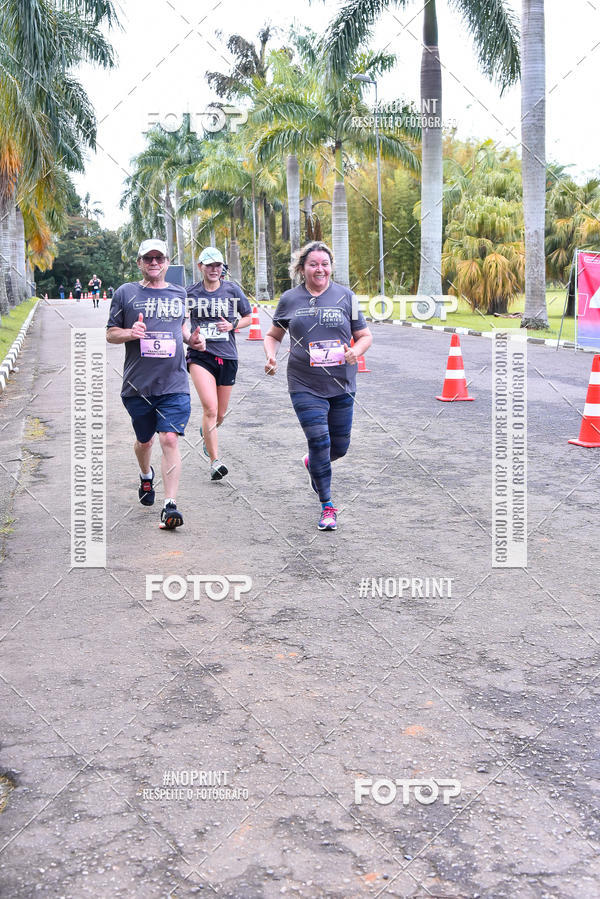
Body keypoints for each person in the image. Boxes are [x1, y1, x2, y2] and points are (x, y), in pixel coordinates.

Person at [264, 241, 372, 531]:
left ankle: (313, 462)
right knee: (319, 441)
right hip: (303, 382)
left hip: (342, 382)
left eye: (325, 264)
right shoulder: (290, 299)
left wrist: (356, 351)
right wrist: (271, 355)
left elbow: (364, 336)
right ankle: (327, 505)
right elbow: (273, 335)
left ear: (331, 267)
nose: (320, 269)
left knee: (339, 447)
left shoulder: (346, 297)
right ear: (302, 268)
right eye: (313, 264)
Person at [106, 239, 205, 529]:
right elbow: (111, 334)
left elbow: (183, 330)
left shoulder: (179, 293)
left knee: (169, 438)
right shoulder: (126, 293)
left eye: (158, 258)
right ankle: (146, 476)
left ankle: (170, 505)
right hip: (138, 385)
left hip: (174, 382)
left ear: (166, 261)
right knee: (144, 441)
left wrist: (194, 341)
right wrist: (130, 332)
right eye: (147, 258)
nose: (153, 262)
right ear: (139, 262)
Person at [186, 246, 252, 480]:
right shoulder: (190, 293)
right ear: (200, 267)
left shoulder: (232, 290)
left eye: (218, 265)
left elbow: (248, 317)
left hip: (228, 355)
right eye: (209, 265)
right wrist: (189, 338)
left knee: (220, 414)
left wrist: (232, 325)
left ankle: (207, 433)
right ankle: (215, 461)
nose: (214, 269)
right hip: (200, 356)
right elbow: (182, 322)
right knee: (210, 409)